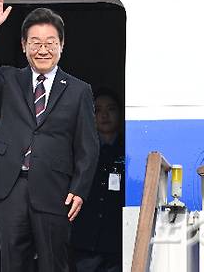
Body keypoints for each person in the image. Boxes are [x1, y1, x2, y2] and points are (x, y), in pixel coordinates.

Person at [0, 0, 99, 272]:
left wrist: (79, 189)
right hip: (11, 185)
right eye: (36, 43)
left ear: (61, 45)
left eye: (50, 43)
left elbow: (88, 146)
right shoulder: (9, 79)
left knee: (54, 261)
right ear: (24, 45)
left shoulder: (78, 90)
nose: (43, 49)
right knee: (12, 262)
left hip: (55, 188)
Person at [71, 88, 124, 272]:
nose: (104, 115)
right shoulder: (78, 149)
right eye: (97, 110)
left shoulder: (130, 149)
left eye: (111, 109)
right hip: (85, 240)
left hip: (118, 240)